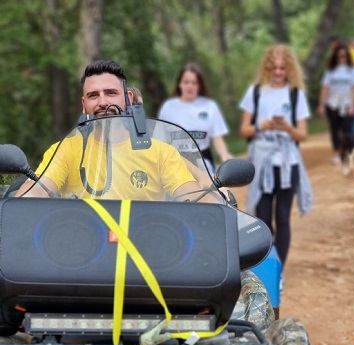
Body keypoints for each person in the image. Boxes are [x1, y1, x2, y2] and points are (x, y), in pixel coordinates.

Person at [15, 60, 205, 201]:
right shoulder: (65, 149)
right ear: (84, 104)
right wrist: (24, 199)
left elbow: (192, 196)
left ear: (129, 98)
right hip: (83, 250)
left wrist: (212, 201)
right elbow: (38, 189)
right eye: (93, 95)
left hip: (143, 250)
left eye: (111, 93)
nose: (103, 102)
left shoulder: (161, 153)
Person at [238, 43, 312, 270]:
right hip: (262, 160)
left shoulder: (295, 94)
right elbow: (244, 130)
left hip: (287, 162)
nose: (278, 73)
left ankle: (278, 269)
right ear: (267, 68)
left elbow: (303, 134)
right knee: (262, 219)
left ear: (289, 69)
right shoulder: (256, 92)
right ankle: (264, 266)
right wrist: (263, 126)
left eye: (283, 68)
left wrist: (287, 128)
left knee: (282, 217)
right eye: (274, 68)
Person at [157, 63, 232, 176]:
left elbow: (217, 138)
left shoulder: (209, 106)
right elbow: (160, 141)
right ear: (179, 84)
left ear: (200, 86)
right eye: (186, 82)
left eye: (194, 83)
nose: (190, 86)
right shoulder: (168, 107)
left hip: (203, 161)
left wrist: (224, 155)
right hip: (175, 163)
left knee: (215, 192)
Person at [318, 43, 354, 164]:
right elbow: (325, 87)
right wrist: (321, 104)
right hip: (332, 102)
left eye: (344, 56)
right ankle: (336, 152)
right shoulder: (330, 71)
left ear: (347, 57)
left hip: (346, 102)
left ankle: (347, 151)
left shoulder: (352, 70)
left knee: (347, 128)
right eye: (339, 56)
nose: (342, 59)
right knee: (335, 129)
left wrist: (352, 105)